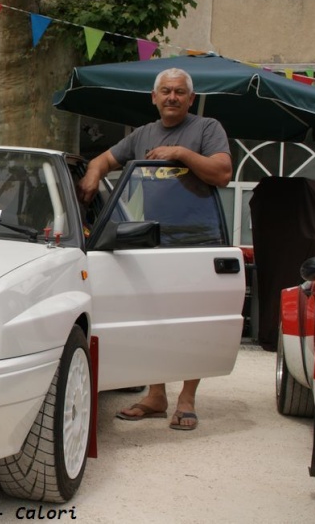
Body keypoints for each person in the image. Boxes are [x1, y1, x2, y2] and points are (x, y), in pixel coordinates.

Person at [78, 68, 233, 430]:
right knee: (153, 317)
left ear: (190, 99)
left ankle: (187, 399)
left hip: (198, 238)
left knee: (192, 321)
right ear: (154, 96)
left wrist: (180, 153)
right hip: (149, 236)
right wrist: (93, 173)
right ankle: (156, 395)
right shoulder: (143, 134)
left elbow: (222, 172)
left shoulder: (207, 128)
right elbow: (104, 159)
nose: (172, 97)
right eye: (165, 91)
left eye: (179, 92)